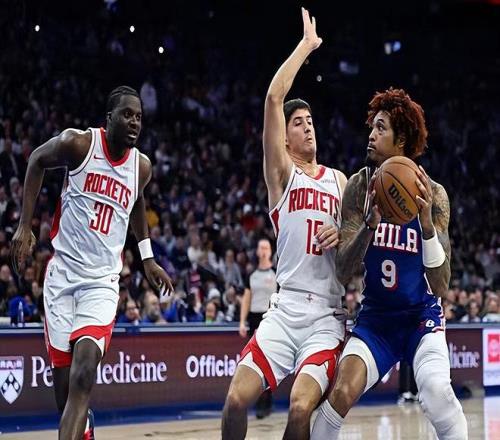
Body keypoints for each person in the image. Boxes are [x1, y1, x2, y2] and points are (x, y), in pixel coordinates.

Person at [10, 85, 173, 440]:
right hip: (62, 278)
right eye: (127, 115)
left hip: (101, 283)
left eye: (139, 117)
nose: (135, 122)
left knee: (84, 374)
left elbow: (137, 200)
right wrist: (24, 225)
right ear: (109, 118)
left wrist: (147, 257)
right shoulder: (79, 144)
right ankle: (84, 428)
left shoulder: (141, 167)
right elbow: (36, 160)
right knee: (65, 394)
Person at [311, 88, 468, 439]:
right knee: (339, 395)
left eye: (380, 128)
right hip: (376, 320)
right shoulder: (359, 187)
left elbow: (441, 285)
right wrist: (368, 226)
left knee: (438, 394)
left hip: (420, 317)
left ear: (402, 140)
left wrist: (426, 227)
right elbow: (343, 271)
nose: (371, 134)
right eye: (372, 127)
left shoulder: (433, 194)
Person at [221, 9, 347, 440]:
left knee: (299, 407)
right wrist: (306, 47)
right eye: (298, 123)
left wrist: (346, 234)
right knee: (235, 399)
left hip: (326, 315)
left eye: (310, 122)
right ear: (285, 137)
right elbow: (274, 98)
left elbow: (360, 242)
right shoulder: (282, 176)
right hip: (285, 308)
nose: (307, 127)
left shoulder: (340, 180)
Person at [239, 237, 277, 419]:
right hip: (254, 320)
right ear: (256, 251)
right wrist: (242, 321)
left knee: (268, 362)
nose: (263, 251)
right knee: (256, 362)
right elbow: (246, 299)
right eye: (260, 247)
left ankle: (266, 401)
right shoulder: (251, 276)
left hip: (270, 319)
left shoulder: (276, 274)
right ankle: (259, 400)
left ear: (270, 251)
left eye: (266, 248)